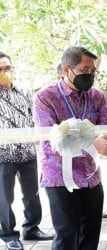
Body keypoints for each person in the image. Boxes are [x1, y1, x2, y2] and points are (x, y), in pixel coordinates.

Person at [33, 46, 107, 250]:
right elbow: (51, 136)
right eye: (83, 70)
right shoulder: (45, 97)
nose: (89, 75)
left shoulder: (97, 96)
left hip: (91, 176)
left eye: (92, 71)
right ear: (66, 70)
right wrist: (92, 141)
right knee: (67, 233)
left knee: (91, 231)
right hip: (59, 177)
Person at [0, 52, 54, 250]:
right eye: (0, 69)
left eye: (7, 68)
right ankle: (8, 235)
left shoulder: (24, 91)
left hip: (28, 152)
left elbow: (35, 118)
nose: (5, 72)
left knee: (31, 192)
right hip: (3, 155)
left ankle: (32, 227)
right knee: (4, 197)